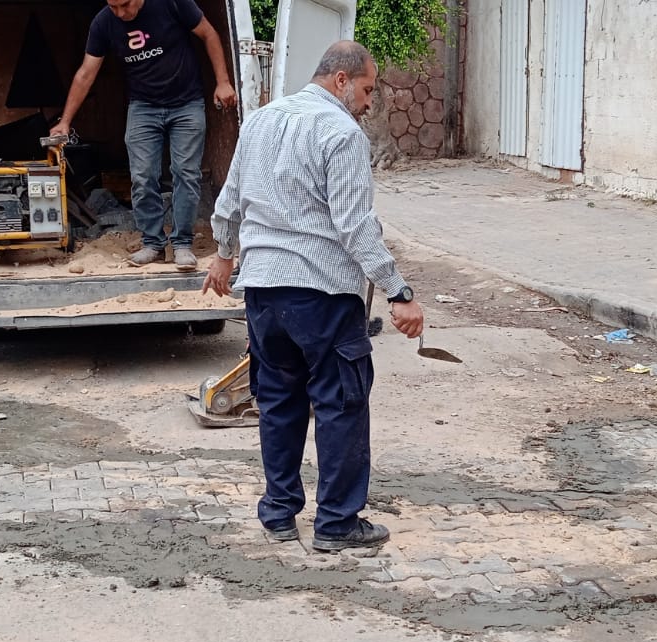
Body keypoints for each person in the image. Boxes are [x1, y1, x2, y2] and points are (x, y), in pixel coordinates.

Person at [204, 41, 425, 552]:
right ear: (342, 80)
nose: (371, 102)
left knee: (277, 402)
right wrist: (400, 290)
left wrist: (223, 252)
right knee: (340, 404)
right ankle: (337, 523)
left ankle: (279, 515)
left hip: (262, 292)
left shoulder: (259, 120)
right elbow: (355, 226)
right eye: (368, 89)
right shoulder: (340, 133)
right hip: (321, 293)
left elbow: (230, 198)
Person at [49, 0, 236, 270]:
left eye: (125, 5)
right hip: (144, 107)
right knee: (142, 176)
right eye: (113, 7)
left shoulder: (172, 3)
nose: (120, 13)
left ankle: (182, 243)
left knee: (186, 172)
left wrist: (223, 81)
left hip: (186, 103)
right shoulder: (103, 23)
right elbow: (86, 73)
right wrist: (65, 121)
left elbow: (208, 33)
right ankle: (153, 243)